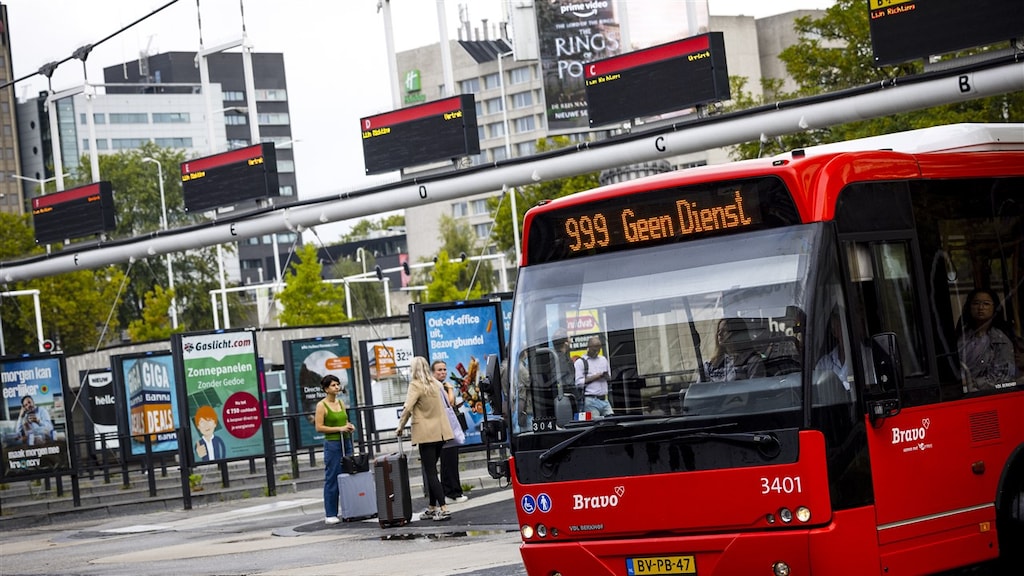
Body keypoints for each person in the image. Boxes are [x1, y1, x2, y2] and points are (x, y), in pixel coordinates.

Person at [396, 356, 454, 521]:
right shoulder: (436, 384)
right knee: (432, 470)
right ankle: (431, 507)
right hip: (441, 432)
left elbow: (408, 408)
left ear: (413, 369)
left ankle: (444, 508)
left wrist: (400, 427)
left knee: (430, 472)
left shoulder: (415, 385)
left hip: (426, 433)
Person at [957, 288, 1016, 392]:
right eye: (976, 303)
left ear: (995, 308)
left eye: (986, 304)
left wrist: (972, 383)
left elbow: (1003, 377)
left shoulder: (1000, 340)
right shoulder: (961, 337)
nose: (980, 308)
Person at [315, 374, 356, 525]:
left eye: (337, 384)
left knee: (350, 473)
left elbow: (345, 421)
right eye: (333, 385)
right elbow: (319, 427)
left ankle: (351, 510)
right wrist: (339, 428)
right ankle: (331, 513)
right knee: (332, 477)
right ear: (326, 389)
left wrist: (349, 426)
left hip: (346, 441)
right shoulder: (321, 405)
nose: (337, 387)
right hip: (333, 444)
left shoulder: (340, 403)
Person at [433, 359, 468, 504]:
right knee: (448, 461)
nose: (443, 372)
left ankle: (452, 491)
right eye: (439, 370)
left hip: (447, 428)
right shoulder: (438, 387)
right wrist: (451, 389)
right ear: (433, 372)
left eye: (444, 369)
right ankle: (452, 493)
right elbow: (450, 402)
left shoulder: (442, 386)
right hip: (444, 429)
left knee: (450, 460)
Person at [704, 318, 766, 382]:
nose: (719, 334)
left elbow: (756, 386)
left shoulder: (752, 362)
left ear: (737, 334)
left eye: (725, 330)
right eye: (718, 331)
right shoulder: (710, 364)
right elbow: (701, 386)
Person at [575, 336, 614, 418]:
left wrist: (606, 376)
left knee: (611, 421)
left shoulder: (603, 359)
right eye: (594, 350)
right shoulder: (580, 362)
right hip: (591, 399)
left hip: (604, 399)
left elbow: (610, 378)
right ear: (588, 347)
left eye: (598, 350)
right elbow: (578, 383)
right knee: (595, 423)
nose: (596, 352)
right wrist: (596, 377)